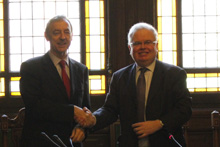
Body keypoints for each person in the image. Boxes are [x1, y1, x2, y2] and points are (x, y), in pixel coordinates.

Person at [78, 22, 192, 147]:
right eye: (137, 43)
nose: (143, 47)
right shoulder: (119, 77)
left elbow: (184, 110)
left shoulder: (174, 74)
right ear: (129, 48)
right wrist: (93, 119)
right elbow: (109, 110)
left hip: (166, 142)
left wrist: (159, 124)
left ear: (156, 46)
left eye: (148, 42)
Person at [20, 15, 92, 147]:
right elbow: (35, 106)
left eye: (66, 32)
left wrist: (83, 129)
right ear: (47, 36)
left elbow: (86, 109)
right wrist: (72, 111)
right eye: (56, 32)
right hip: (41, 142)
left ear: (72, 35)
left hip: (73, 142)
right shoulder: (31, 67)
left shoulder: (81, 69)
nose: (63, 37)